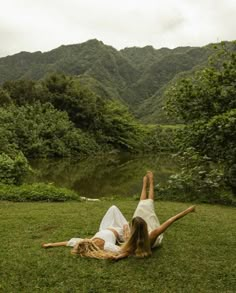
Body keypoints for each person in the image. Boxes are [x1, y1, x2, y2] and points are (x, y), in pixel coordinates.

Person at [112, 171, 196, 260]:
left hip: (143, 237)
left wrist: (117, 257)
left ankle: (144, 185)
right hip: (151, 239)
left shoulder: (132, 239)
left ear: (133, 228)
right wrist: (188, 210)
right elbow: (172, 220)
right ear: (145, 225)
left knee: (141, 205)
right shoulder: (153, 234)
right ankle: (151, 182)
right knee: (149, 205)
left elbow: (128, 252)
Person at [42, 204, 130, 259]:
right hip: (120, 232)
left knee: (113, 208)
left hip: (105, 227)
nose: (92, 239)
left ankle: (126, 225)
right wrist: (117, 257)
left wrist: (51, 244)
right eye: (95, 241)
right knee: (128, 225)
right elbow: (125, 251)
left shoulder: (86, 242)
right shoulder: (107, 246)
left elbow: (67, 242)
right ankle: (127, 226)